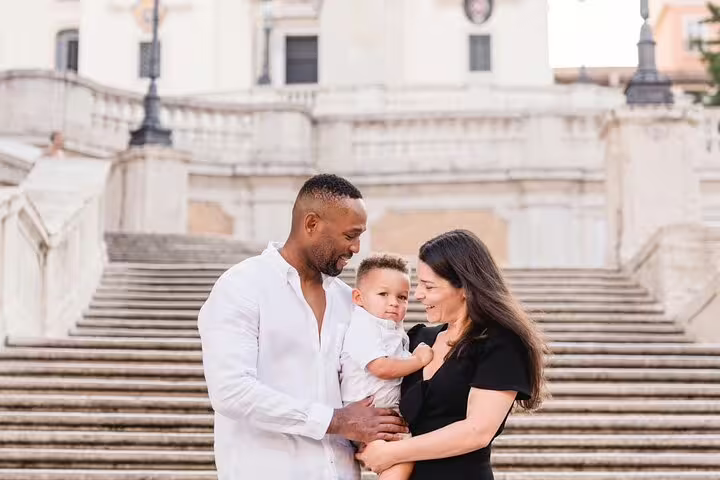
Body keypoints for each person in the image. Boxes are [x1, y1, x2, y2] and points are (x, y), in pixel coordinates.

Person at [198, 174, 408, 480]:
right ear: (311, 224)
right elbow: (231, 392)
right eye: (350, 235)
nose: (356, 247)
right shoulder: (242, 286)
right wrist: (335, 421)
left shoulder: (348, 301)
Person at [357, 229, 548, 480]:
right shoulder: (418, 338)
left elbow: (477, 431)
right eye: (418, 284)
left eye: (428, 286)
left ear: (465, 288)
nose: (417, 295)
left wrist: (393, 452)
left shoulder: (501, 344)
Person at [339, 254, 434, 480]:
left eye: (402, 297)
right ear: (359, 298)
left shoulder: (390, 328)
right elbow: (380, 367)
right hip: (368, 414)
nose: (394, 302)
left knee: (403, 457)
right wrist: (418, 360)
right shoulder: (364, 326)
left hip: (385, 413)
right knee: (403, 456)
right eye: (383, 294)